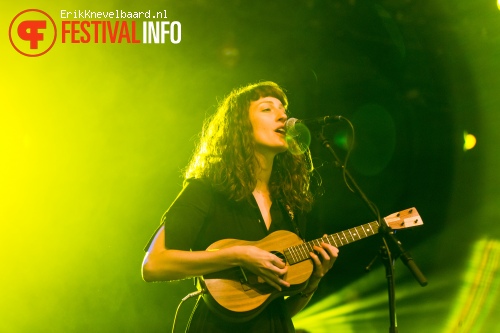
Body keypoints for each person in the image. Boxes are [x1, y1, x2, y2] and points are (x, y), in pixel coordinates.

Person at [142, 81, 339, 332]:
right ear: (240, 126)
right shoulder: (207, 189)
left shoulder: (289, 203)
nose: (283, 115)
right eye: (267, 109)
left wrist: (313, 282)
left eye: (283, 110)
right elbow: (153, 265)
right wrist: (237, 255)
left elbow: (273, 308)